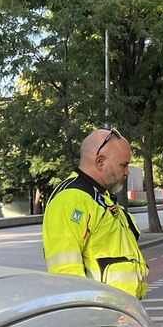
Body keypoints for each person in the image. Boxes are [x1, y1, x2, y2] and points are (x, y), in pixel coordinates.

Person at [42, 128, 149, 298]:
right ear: (100, 162)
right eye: (123, 165)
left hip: (118, 306)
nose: (127, 172)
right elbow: (66, 273)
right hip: (101, 309)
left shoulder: (99, 196)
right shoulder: (71, 198)